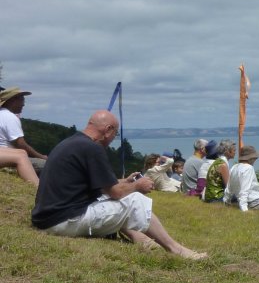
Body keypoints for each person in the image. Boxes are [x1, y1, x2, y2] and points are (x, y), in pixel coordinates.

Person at [31, 110, 207, 259]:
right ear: (108, 130)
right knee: (134, 200)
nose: (112, 139)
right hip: (63, 221)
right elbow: (115, 192)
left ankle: (143, 240)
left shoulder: (72, 143)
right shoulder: (92, 148)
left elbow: (99, 186)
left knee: (116, 202)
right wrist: (137, 186)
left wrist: (124, 182)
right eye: (114, 135)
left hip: (47, 217)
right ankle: (176, 249)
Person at [0, 86, 47, 175]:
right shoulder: (9, 117)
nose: (23, 104)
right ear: (12, 100)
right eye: (22, 100)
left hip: (4, 156)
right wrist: (41, 157)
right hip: (10, 159)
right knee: (48, 165)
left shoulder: (2, 113)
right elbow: (20, 144)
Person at [225, 145, 259, 211]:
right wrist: (244, 209)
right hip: (253, 202)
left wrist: (227, 201)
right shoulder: (248, 168)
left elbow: (229, 187)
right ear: (251, 158)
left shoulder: (234, 167)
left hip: (239, 200)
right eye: (254, 158)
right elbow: (244, 190)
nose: (255, 160)